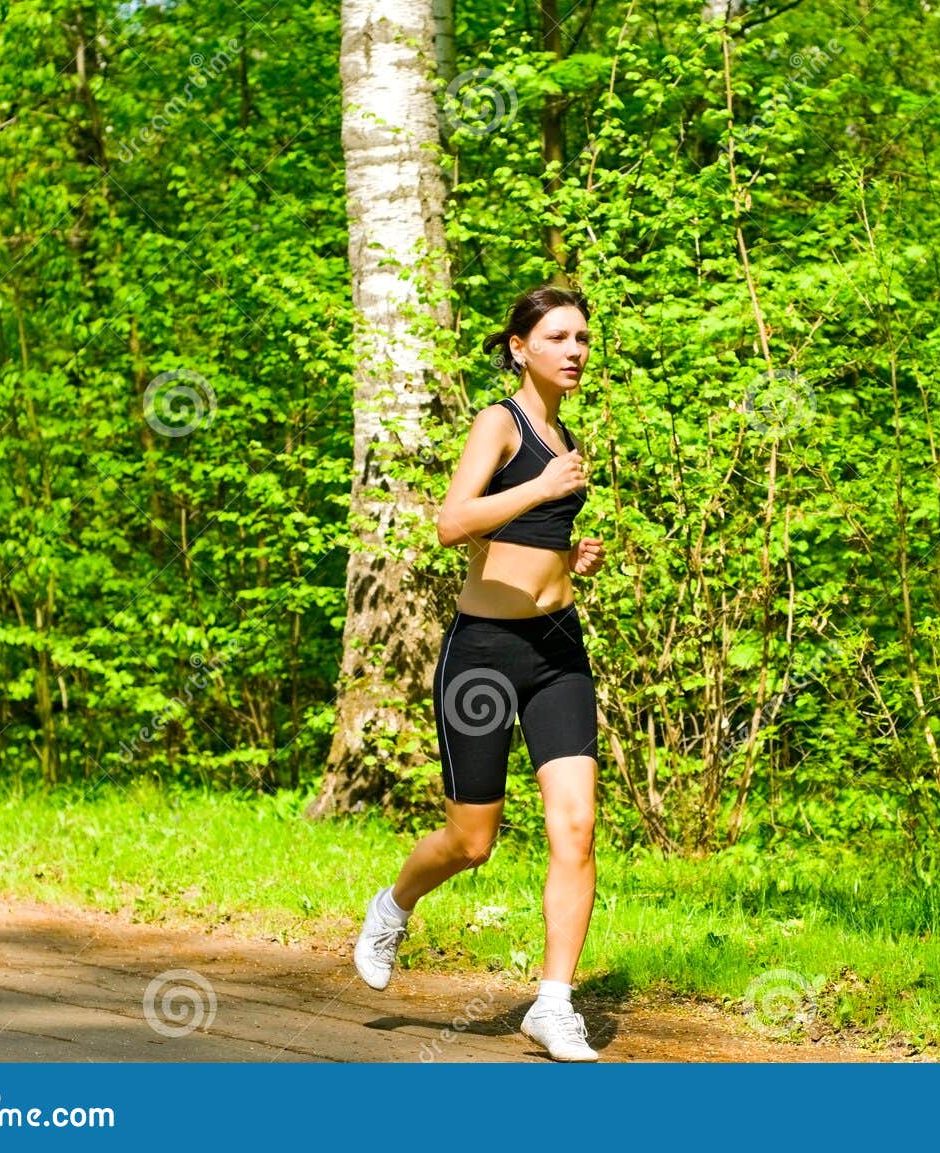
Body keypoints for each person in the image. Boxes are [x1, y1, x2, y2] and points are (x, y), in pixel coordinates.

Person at [352, 284, 608, 1062]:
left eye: (584, 339)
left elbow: (526, 540)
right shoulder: (501, 423)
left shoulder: (565, 431)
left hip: (560, 650)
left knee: (577, 825)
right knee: (473, 840)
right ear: (519, 346)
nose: (575, 351)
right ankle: (393, 906)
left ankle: (554, 1001)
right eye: (559, 337)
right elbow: (451, 522)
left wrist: (572, 560)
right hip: (487, 653)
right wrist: (541, 484)